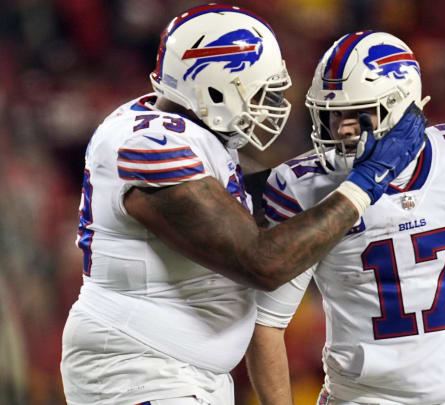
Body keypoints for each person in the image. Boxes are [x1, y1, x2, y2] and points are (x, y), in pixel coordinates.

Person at [60, 7, 426, 405]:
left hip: (179, 371)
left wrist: (325, 172)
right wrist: (367, 179)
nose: (265, 103)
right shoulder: (152, 146)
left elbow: (231, 201)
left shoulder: (186, 130)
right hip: (138, 368)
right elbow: (262, 263)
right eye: (255, 90)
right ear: (213, 87)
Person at [246, 31, 445, 405]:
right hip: (364, 399)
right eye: (333, 114)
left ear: (402, 108)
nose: (341, 128)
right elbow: (266, 325)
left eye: (359, 114)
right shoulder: (304, 187)